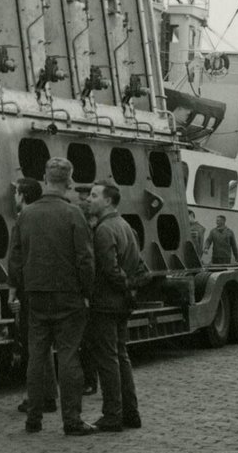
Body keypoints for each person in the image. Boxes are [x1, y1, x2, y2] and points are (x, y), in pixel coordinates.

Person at [8, 157, 98, 436]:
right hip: (68, 295)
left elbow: (15, 258)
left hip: (36, 295)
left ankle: (33, 419)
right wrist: (87, 292)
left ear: (46, 179)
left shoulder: (26, 215)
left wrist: (19, 289)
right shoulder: (74, 214)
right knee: (69, 356)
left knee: (37, 357)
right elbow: (85, 259)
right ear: (69, 182)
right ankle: (71, 420)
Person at [86, 181, 143, 431]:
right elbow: (139, 265)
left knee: (108, 359)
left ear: (108, 201)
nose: (89, 199)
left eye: (94, 195)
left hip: (106, 303)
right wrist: (130, 290)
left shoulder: (104, 229)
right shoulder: (125, 226)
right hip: (121, 303)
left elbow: (109, 269)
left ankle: (112, 415)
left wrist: (123, 285)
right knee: (122, 356)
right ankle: (130, 413)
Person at [13, 178, 57, 416]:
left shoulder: (23, 219)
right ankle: (48, 394)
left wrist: (12, 291)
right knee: (44, 345)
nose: (13, 197)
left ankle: (38, 398)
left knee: (34, 345)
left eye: (15, 193)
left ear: (22, 196)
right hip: (46, 286)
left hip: (29, 288)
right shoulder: (45, 217)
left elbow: (16, 258)